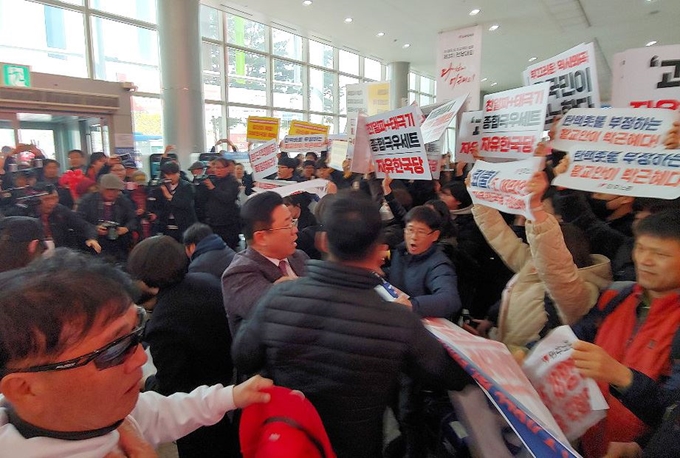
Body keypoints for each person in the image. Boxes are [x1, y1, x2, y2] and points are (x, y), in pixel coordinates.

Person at [232, 191, 473, 458]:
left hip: (294, 439)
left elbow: (244, 356)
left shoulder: (278, 297)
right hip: (356, 447)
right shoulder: (397, 320)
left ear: (323, 242)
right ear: (378, 249)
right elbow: (447, 374)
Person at [0, 249, 273, 457]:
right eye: (115, 349)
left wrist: (232, 396)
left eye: (135, 335)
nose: (141, 359)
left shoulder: (113, 413)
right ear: (25, 388)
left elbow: (169, 410)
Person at [569, 210, 680, 458]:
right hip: (589, 439)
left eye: (660, 254)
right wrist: (532, 353)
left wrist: (623, 377)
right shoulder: (616, 297)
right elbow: (572, 339)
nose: (645, 260)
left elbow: (672, 412)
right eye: (641, 248)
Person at [469, 172, 612, 347]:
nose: (534, 249)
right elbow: (499, 236)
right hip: (506, 354)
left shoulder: (582, 290)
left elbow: (557, 270)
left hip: (534, 364)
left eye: (540, 246)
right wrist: (479, 197)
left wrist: (537, 213)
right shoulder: (531, 264)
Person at [127, 236, 238, 458]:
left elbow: (171, 387)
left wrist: (145, 382)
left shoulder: (163, 322)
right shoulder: (206, 281)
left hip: (200, 412)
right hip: (230, 383)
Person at [221, 191, 308, 337]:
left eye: (293, 221)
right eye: (287, 225)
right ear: (261, 238)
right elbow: (280, 315)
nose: (295, 230)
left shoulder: (299, 257)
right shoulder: (238, 275)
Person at [77, 174, 138, 263]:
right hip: (95, 244)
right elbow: (78, 221)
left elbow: (133, 218)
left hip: (119, 244)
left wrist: (126, 228)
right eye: (109, 190)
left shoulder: (123, 201)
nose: (112, 193)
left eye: (115, 190)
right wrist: (94, 228)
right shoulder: (88, 201)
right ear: (101, 188)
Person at [147, 161, 197, 241]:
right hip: (166, 224)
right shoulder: (162, 186)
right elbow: (158, 205)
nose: (169, 177)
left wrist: (169, 196)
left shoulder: (187, 186)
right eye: (167, 175)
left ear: (178, 173)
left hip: (183, 224)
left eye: (172, 174)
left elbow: (186, 204)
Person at [198, 157, 241, 249]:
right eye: (216, 168)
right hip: (213, 222)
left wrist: (213, 188)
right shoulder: (212, 179)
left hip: (228, 223)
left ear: (227, 168)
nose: (218, 170)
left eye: (220, 168)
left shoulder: (232, 182)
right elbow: (202, 199)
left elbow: (227, 198)